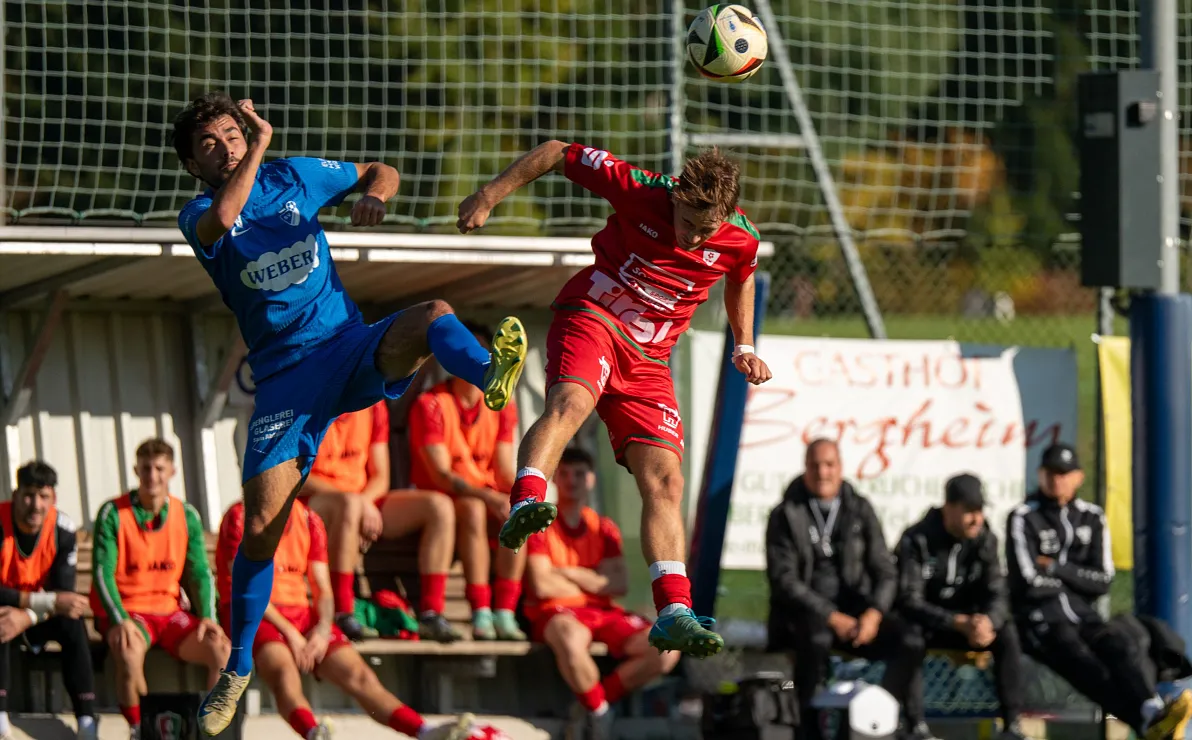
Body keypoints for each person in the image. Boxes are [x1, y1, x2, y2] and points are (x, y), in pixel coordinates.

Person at [171, 91, 528, 734]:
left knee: (434, 315)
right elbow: (226, 217)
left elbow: (378, 169)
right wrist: (259, 142)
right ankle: (238, 665)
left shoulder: (293, 177)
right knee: (261, 526)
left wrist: (377, 197)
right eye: (208, 144)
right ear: (194, 166)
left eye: (230, 134)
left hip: (348, 344)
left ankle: (488, 375)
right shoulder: (198, 212)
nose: (223, 147)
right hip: (285, 379)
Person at [457, 141, 773, 657]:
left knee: (666, 479)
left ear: (725, 216)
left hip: (650, 362)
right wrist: (490, 195)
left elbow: (742, 275)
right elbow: (558, 151)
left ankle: (673, 611)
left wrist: (744, 345)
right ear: (675, 198)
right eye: (686, 222)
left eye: (704, 230)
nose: (692, 237)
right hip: (595, 318)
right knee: (571, 405)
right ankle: (527, 500)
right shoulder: (639, 188)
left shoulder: (740, 237)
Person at [215, 500, 502, 740]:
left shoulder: (308, 518)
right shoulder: (241, 516)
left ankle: (424, 731)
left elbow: (322, 589)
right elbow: (247, 590)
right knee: (283, 672)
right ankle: (314, 732)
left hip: (301, 615)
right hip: (252, 612)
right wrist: (293, 635)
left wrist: (322, 629)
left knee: (360, 675)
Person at [1007, 442, 1192, 740]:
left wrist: (1056, 568)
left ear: (1078, 477)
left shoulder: (1091, 517)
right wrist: (1076, 578)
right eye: (1050, 473)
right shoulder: (1024, 516)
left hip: (1084, 615)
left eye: (1064, 473)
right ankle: (1149, 723)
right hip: (1042, 620)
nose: (1057, 480)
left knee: (1121, 643)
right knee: (1083, 660)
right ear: (1040, 474)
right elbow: (1028, 579)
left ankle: (1151, 710)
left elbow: (1103, 580)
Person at [524, 447, 679, 740]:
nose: (572, 480)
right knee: (569, 640)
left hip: (601, 613)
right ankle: (599, 714)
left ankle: (595, 701)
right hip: (557, 612)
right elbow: (542, 586)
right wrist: (595, 581)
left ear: (592, 479)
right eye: (565, 473)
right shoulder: (539, 524)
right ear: (555, 479)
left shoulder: (604, 528)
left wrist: (566, 573)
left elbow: (618, 584)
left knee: (667, 646)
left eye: (580, 474)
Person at [764, 439, 912, 740]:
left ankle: (889, 718)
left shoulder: (860, 508)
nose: (823, 472)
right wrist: (831, 617)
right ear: (805, 468)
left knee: (910, 639)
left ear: (841, 468)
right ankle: (809, 728)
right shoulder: (785, 514)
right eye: (815, 465)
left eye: (829, 464)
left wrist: (874, 613)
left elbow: (885, 570)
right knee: (815, 638)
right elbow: (784, 581)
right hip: (805, 617)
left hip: (857, 615)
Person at [90, 439, 230, 740]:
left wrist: (207, 615)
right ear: (135, 470)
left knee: (222, 650)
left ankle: (210, 731)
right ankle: (140, 729)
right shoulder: (113, 513)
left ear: (172, 472)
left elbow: (199, 572)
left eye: (159, 468)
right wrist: (120, 619)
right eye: (145, 469)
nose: (152, 476)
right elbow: (102, 573)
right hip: (129, 613)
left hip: (169, 614)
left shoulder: (186, 514)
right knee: (128, 653)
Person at [302, 400, 459, 642]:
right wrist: (355, 503)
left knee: (440, 507)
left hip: (364, 500)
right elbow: (297, 476)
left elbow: (381, 476)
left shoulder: (373, 405)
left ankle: (430, 613)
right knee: (349, 506)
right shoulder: (308, 402)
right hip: (315, 502)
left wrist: (364, 502)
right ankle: (343, 610)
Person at [408, 321, 525, 641]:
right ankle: (481, 611)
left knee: (523, 512)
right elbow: (441, 475)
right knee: (472, 508)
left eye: (480, 353)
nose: (473, 359)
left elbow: (502, 469)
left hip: (478, 499)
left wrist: (523, 497)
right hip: (441, 497)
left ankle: (505, 611)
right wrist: (490, 497)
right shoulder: (430, 403)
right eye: (465, 352)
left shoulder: (502, 406)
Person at [890, 474, 1024, 740]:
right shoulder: (917, 539)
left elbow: (997, 592)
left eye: (980, 511)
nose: (977, 519)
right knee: (909, 638)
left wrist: (989, 621)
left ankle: (1012, 727)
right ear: (948, 509)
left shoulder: (985, 539)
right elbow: (909, 600)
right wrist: (955, 621)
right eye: (969, 511)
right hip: (929, 623)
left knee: (1007, 633)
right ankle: (916, 727)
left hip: (969, 627)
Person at [0, 462, 96, 740]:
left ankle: (87, 717)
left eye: (43, 496)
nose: (36, 505)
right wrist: (26, 605)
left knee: (73, 622)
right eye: (29, 495)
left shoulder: (62, 528)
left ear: (53, 498)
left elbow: (64, 594)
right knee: (3, 618)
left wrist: (27, 615)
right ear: (16, 495)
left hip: (40, 616)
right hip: (9, 612)